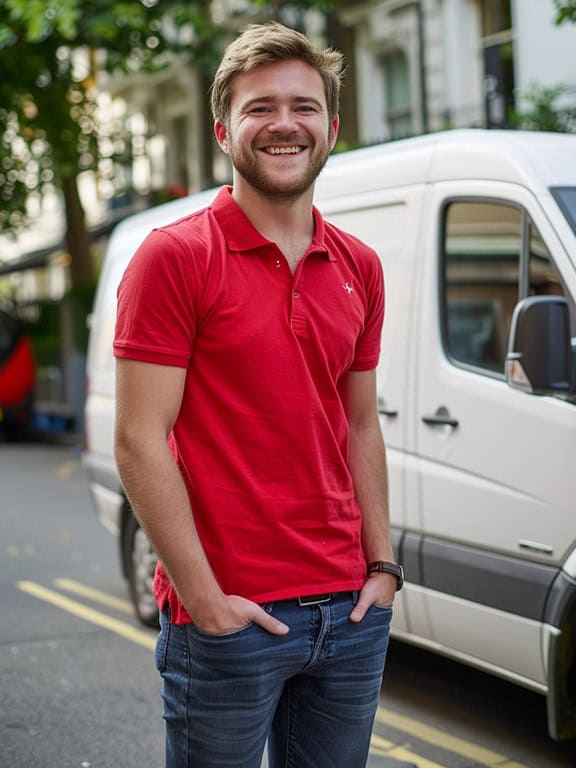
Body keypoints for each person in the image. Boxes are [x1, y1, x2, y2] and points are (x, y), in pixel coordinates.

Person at [114, 20, 403, 768]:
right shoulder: (174, 258)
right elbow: (139, 439)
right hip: (231, 620)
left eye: (304, 107)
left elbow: (360, 424)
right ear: (223, 130)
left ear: (332, 127)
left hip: (349, 613)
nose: (284, 124)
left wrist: (382, 566)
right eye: (260, 108)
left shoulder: (360, 265)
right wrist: (205, 602)